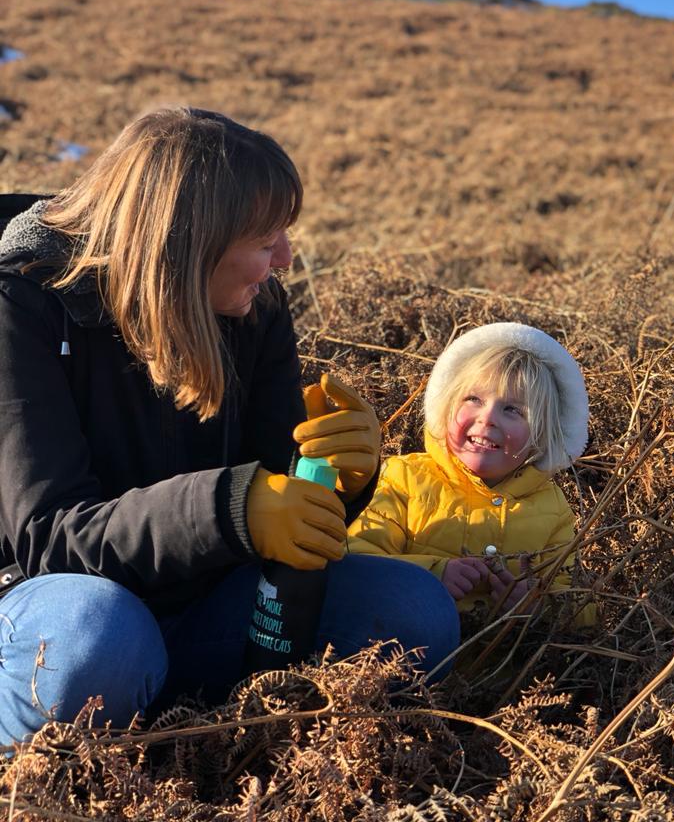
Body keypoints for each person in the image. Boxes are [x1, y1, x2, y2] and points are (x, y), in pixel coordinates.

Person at [0, 107, 459, 747]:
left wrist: (340, 482)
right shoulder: (21, 304)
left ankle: (177, 720)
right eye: (265, 238)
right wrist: (230, 508)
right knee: (97, 641)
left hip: (202, 605)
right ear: (189, 238)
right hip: (55, 610)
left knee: (414, 610)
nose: (287, 260)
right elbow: (47, 538)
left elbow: (278, 499)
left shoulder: (254, 307)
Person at [348, 322, 591, 622]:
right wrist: (432, 575)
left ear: (541, 437)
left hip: (496, 666)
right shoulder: (403, 478)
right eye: (473, 399)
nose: (487, 418)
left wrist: (536, 605)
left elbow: (579, 609)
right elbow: (357, 562)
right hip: (399, 656)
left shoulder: (554, 512)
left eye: (513, 410)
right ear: (446, 407)